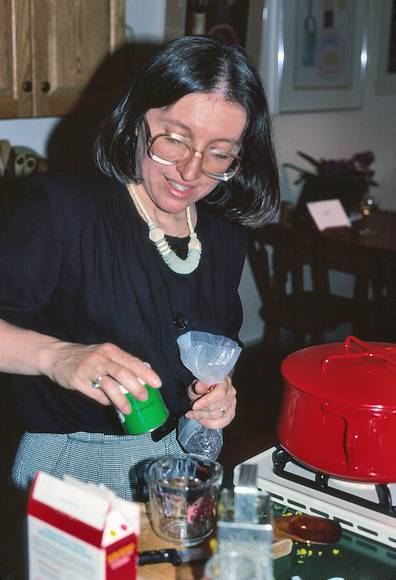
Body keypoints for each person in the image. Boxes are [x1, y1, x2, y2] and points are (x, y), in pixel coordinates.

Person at [0, 35, 279, 501]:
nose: (191, 172)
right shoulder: (62, 210)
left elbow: (213, 347)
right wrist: (58, 356)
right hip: (74, 471)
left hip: (184, 467)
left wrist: (216, 394)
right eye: (175, 139)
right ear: (136, 121)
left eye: (219, 153)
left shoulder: (224, 229)